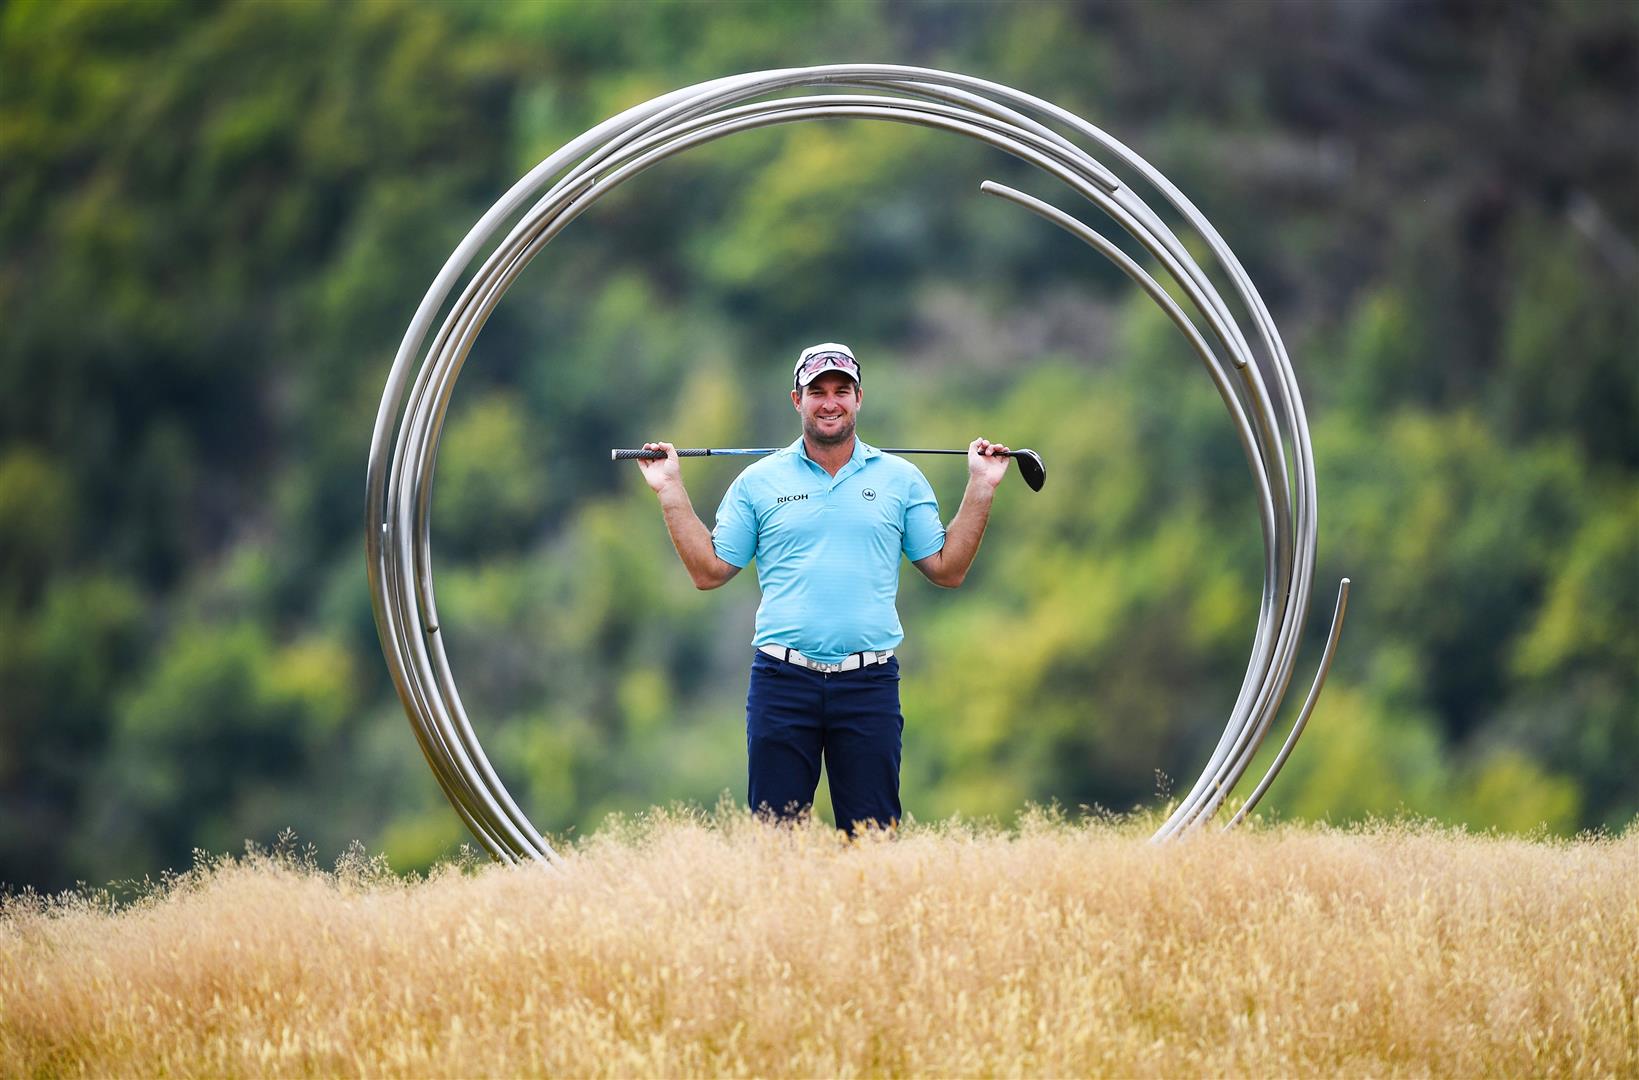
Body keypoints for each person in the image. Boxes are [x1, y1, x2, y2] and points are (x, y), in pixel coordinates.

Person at [636, 342, 1013, 833]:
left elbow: (947, 569)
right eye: (818, 391)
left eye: (842, 390)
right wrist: (669, 489)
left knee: (872, 844)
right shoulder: (758, 481)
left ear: (859, 399)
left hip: (869, 683)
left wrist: (981, 486)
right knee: (777, 847)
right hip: (782, 680)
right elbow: (709, 571)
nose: (830, 401)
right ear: (797, 399)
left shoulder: (902, 479)